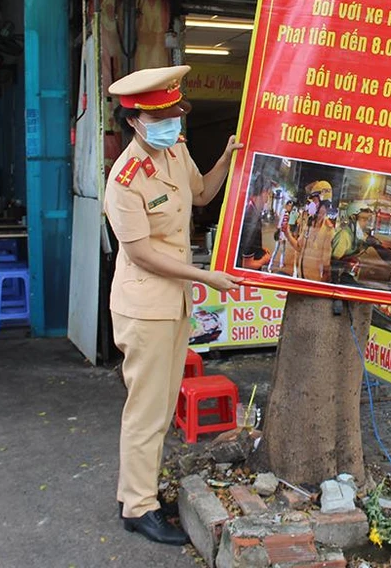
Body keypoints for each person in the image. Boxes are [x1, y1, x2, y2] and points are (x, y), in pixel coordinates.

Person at [104, 65, 242, 545]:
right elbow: (141, 253)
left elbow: (201, 193)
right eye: (159, 118)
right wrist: (206, 277)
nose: (171, 124)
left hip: (173, 303)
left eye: (174, 115)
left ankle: (137, 492)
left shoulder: (175, 150)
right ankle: (137, 507)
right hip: (144, 308)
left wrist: (225, 158)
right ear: (134, 121)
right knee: (146, 411)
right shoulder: (125, 179)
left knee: (161, 408)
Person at [239, 177, 272, 270]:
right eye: (268, 194)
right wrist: (265, 260)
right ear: (264, 192)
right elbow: (247, 265)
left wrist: (259, 249)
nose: (267, 199)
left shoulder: (252, 211)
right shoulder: (251, 220)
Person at [267, 200, 294, 274]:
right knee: (278, 250)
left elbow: (281, 224)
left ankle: (277, 264)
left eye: (291, 206)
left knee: (280, 250)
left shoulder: (285, 212)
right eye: (289, 206)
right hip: (281, 235)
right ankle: (271, 265)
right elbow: (282, 225)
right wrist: (281, 237)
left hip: (281, 234)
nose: (290, 208)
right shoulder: (286, 213)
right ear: (287, 206)